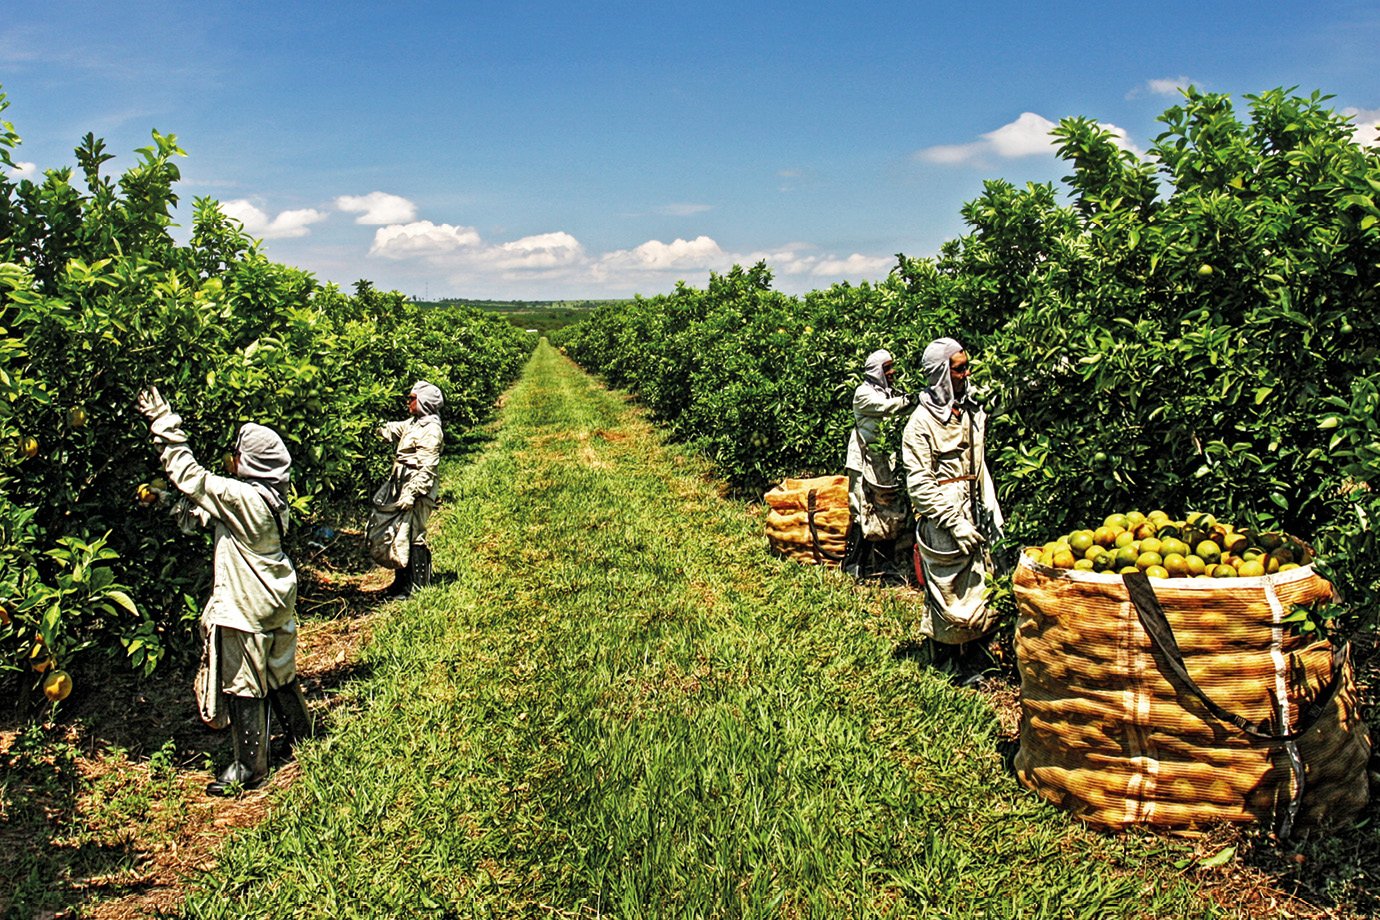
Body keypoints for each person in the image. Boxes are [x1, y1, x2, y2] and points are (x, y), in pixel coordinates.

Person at [136, 387, 313, 795]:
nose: (230, 457)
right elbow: (201, 511)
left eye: (236, 451)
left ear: (249, 461)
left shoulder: (242, 496)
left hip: (246, 604)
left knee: (243, 682)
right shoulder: (269, 496)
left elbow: (190, 476)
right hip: (275, 598)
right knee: (278, 673)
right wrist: (162, 501)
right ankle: (303, 736)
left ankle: (250, 768)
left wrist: (162, 420)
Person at [900, 338, 1004, 685]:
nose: (966, 373)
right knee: (950, 588)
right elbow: (919, 484)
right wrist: (952, 521)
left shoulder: (972, 407)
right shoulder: (920, 424)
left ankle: (976, 654)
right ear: (941, 374)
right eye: (959, 368)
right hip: (946, 511)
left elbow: (1005, 392)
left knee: (982, 578)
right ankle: (947, 659)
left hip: (977, 500)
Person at [843, 349, 916, 578]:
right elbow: (887, 407)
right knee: (861, 509)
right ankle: (854, 565)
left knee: (886, 510)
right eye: (887, 368)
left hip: (882, 461)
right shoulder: (863, 393)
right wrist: (914, 398)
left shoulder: (889, 392)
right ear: (876, 370)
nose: (892, 372)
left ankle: (882, 565)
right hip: (863, 460)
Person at [370, 380, 444, 596]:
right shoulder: (413, 423)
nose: (408, 402)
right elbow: (391, 430)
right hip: (402, 481)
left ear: (424, 402)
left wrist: (412, 492)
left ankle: (418, 585)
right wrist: (369, 424)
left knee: (414, 534)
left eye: (412, 399)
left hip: (418, 487)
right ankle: (401, 584)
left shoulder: (431, 430)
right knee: (401, 533)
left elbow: (428, 468)